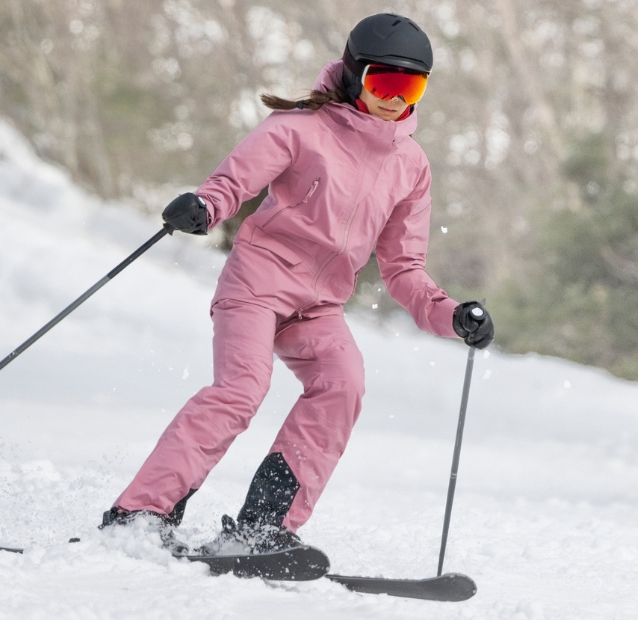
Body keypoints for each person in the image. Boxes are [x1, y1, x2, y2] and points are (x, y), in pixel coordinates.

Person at [101, 13, 495, 555]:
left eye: (411, 86)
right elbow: (232, 182)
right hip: (257, 284)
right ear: (356, 75)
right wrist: (204, 207)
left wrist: (449, 313)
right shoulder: (299, 129)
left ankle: (264, 528)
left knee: (344, 383)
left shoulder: (411, 166)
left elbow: (404, 268)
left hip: (319, 306)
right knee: (241, 389)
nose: (394, 98)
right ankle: (140, 515)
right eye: (384, 82)